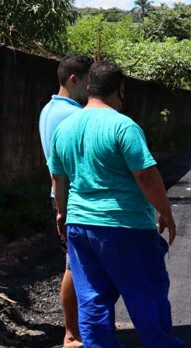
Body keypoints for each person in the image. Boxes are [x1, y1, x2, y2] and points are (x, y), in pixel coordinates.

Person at [47, 61, 183, 348]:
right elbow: (145, 175)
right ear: (120, 89)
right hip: (125, 226)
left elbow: (58, 180)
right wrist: (166, 211)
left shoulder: (64, 128)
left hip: (80, 226)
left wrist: (62, 212)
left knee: (92, 298)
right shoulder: (123, 126)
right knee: (146, 294)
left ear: (89, 87)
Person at [38, 54, 93, 348]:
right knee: (75, 266)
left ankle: (78, 330)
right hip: (71, 199)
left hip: (60, 196)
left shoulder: (49, 110)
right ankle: (72, 334)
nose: (91, 90)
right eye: (88, 82)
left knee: (76, 264)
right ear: (74, 80)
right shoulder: (73, 116)